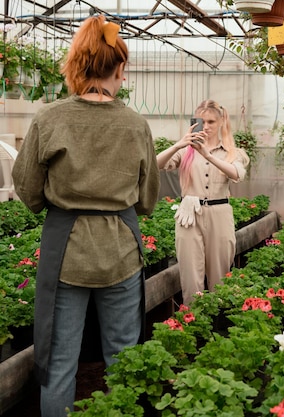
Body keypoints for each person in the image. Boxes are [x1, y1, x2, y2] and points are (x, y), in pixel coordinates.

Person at [11, 16, 160, 417]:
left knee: (60, 363)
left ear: (77, 64)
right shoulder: (135, 125)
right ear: (119, 67)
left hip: (67, 251)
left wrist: (55, 203)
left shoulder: (50, 119)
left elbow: (26, 187)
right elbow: (147, 200)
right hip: (120, 251)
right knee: (123, 358)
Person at [157, 100, 249, 305]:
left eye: (211, 121)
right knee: (190, 274)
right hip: (189, 215)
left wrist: (208, 155)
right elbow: (157, 164)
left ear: (221, 122)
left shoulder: (232, 152)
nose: (206, 126)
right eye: (201, 121)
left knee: (220, 273)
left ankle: (216, 321)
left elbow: (237, 174)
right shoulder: (185, 151)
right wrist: (180, 144)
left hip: (219, 213)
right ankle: (193, 321)